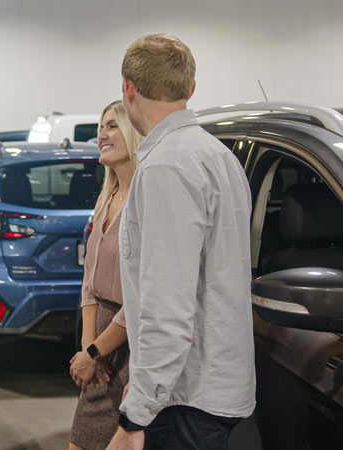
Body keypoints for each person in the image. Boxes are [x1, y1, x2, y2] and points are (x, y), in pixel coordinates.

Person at [106, 34, 254, 450]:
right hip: (208, 392)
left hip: (184, 401)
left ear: (128, 88)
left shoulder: (167, 167)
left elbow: (167, 308)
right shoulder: (217, 155)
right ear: (190, 90)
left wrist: (136, 414)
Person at [68, 100, 144, 450]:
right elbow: (89, 286)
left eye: (112, 126)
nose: (102, 134)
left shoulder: (143, 204)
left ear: (133, 132)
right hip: (101, 351)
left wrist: (95, 352)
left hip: (130, 353)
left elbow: (141, 301)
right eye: (101, 127)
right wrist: (88, 349)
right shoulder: (106, 200)